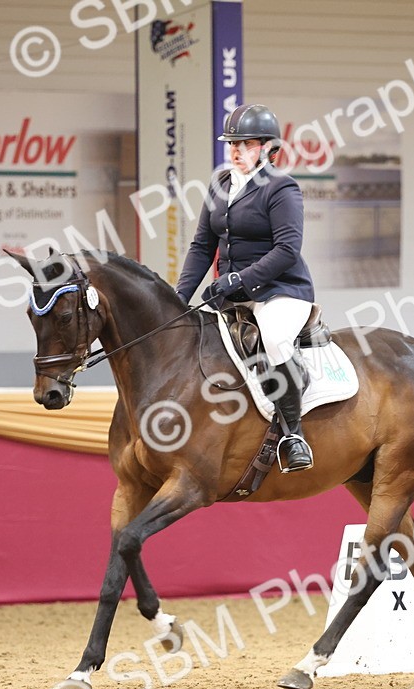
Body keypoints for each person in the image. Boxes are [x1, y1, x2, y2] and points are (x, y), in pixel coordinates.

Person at [175, 103, 315, 472]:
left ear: (269, 148)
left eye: (246, 144)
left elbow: (287, 250)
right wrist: (177, 299)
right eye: (232, 144)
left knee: (273, 337)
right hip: (231, 294)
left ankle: (293, 433)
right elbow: (202, 246)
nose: (236, 151)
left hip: (281, 290)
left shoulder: (282, 188)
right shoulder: (219, 185)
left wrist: (238, 279)